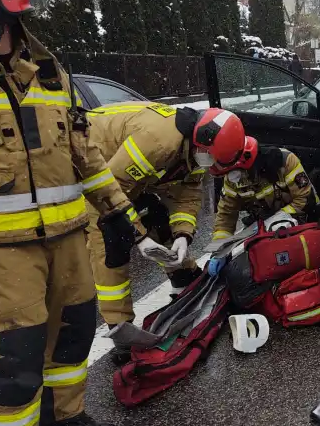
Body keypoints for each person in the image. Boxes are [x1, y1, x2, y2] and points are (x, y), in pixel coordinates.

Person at [0, 0, 169, 426]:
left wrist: (122, 217)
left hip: (69, 237)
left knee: (73, 334)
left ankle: (63, 421)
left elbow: (85, 157)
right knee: (12, 359)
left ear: (5, 2)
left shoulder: (50, 72)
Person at [85, 105, 245, 362]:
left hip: (123, 178)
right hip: (95, 174)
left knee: (159, 219)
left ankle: (184, 279)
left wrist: (183, 234)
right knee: (110, 242)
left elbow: (187, 193)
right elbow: (109, 190)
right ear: (201, 142)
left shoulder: (198, 148)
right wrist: (138, 236)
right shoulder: (159, 141)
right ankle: (120, 329)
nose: (211, 165)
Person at [206, 138, 320, 276]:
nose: (232, 178)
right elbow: (226, 215)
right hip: (266, 231)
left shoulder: (285, 162)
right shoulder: (231, 179)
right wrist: (220, 250)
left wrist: (276, 219)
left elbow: (305, 200)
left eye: (233, 173)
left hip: (305, 220)